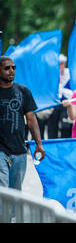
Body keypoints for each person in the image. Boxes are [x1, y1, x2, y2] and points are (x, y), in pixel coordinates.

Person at [0, 56, 45, 192]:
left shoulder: (23, 91)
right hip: (0, 150)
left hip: (19, 150)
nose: (11, 71)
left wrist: (39, 143)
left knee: (15, 193)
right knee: (3, 187)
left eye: (13, 67)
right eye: (6, 68)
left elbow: (31, 119)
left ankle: (11, 214)